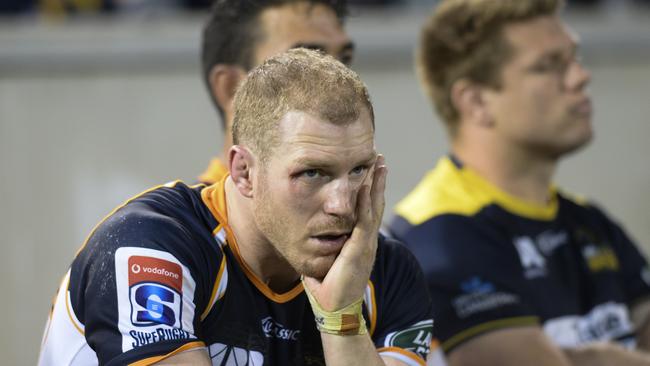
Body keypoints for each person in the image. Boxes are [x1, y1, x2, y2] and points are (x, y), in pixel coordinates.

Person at [38, 49, 434, 366]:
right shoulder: (148, 247)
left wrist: (342, 321)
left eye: (359, 170)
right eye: (312, 173)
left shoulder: (388, 271)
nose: (342, 204)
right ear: (244, 172)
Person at [388, 0, 650, 365]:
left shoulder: (589, 220)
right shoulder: (434, 236)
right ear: (476, 101)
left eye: (574, 58)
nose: (580, 77)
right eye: (549, 66)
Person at [197, 0, 354, 185]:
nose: (341, 84)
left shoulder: (358, 209)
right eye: (305, 62)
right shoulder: (174, 213)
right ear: (232, 88)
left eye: (344, 60)